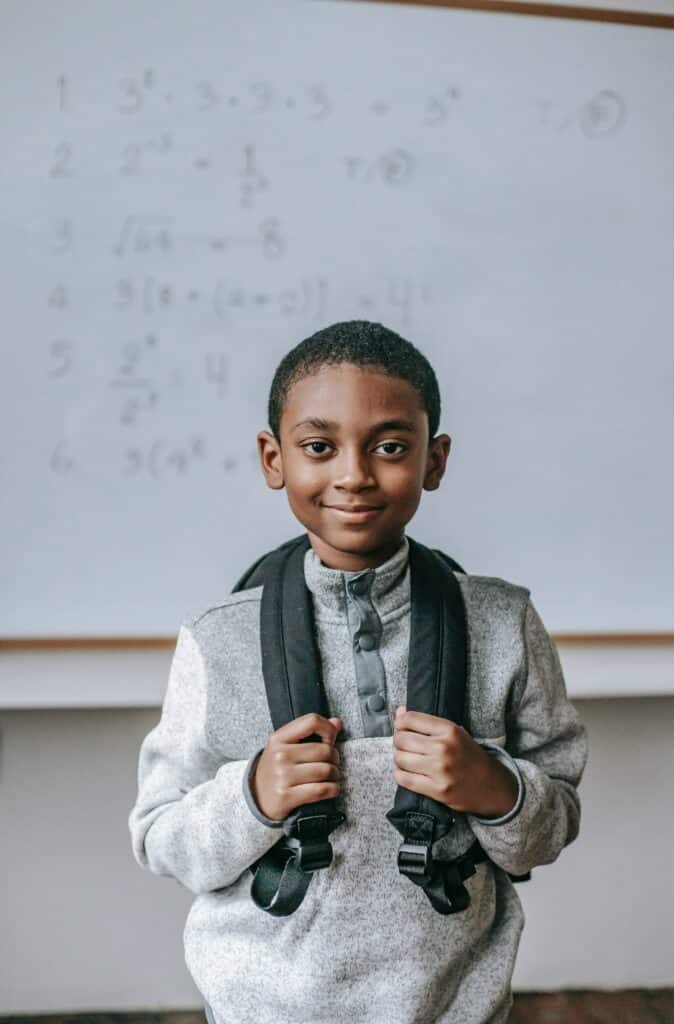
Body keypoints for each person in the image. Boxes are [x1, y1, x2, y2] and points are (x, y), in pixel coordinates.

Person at [128, 320, 588, 1024]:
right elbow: (162, 839)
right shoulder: (216, 641)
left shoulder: (503, 623)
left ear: (433, 461)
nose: (352, 474)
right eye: (319, 447)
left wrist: (495, 788)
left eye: (391, 447)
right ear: (272, 457)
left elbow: (551, 826)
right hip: (263, 1006)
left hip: (451, 1004)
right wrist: (250, 795)